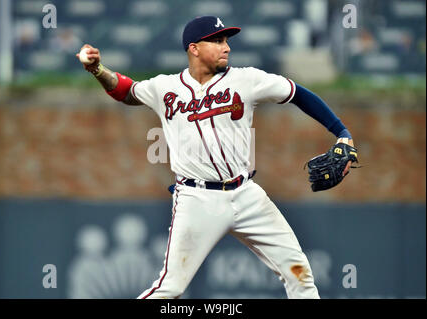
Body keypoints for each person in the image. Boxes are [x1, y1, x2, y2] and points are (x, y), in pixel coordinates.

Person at [76, 16, 356, 299]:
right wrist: (98, 69)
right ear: (194, 48)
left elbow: (298, 94)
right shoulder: (165, 87)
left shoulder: (247, 79)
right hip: (197, 199)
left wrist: (341, 132)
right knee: (170, 288)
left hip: (246, 194)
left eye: (227, 41)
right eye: (218, 40)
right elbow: (127, 91)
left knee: (300, 274)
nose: (227, 47)